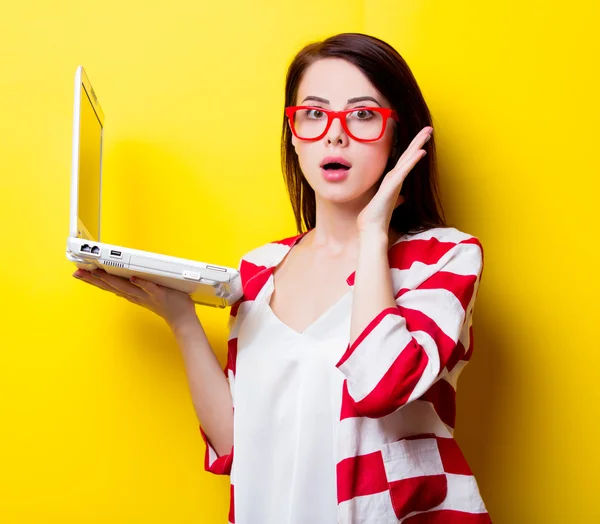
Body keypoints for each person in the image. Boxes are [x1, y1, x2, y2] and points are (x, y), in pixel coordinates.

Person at [73, 33, 491, 524]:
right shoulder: (259, 269)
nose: (334, 135)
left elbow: (382, 388)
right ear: (293, 136)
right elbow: (238, 447)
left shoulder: (444, 257)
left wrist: (373, 233)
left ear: (398, 136)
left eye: (361, 114)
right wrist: (181, 318)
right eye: (313, 114)